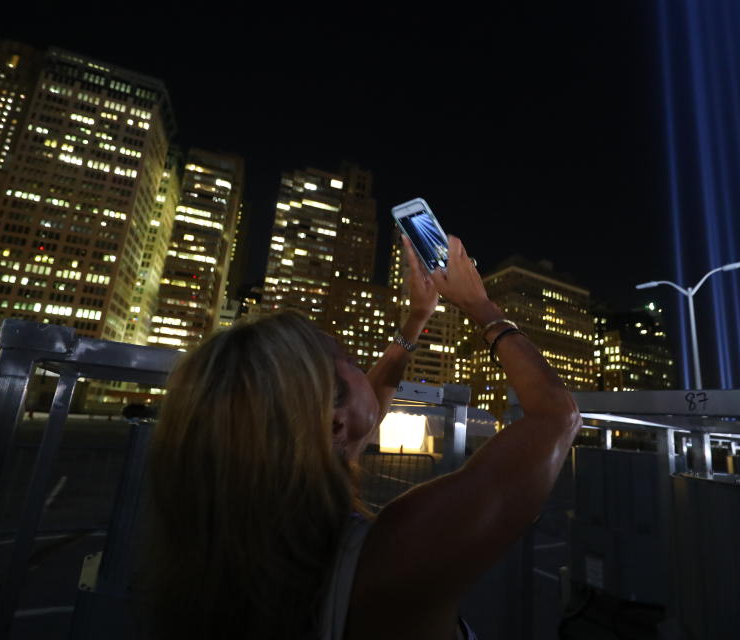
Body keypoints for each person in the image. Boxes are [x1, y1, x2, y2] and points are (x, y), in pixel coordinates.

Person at [144, 234, 582, 639]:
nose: (364, 374)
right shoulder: (397, 552)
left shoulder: (219, 558)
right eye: (352, 361)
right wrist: (482, 308)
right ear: (334, 425)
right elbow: (557, 416)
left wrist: (416, 318)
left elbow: (361, 410)